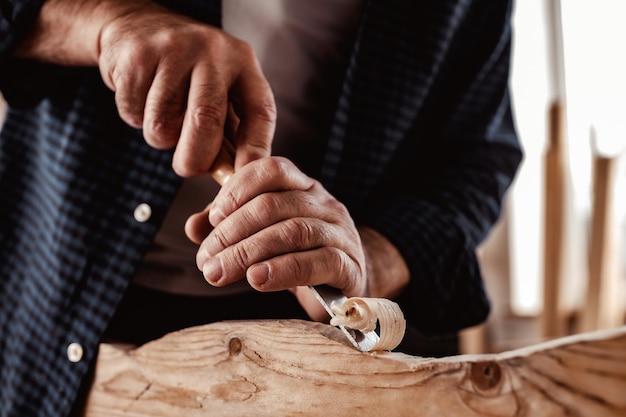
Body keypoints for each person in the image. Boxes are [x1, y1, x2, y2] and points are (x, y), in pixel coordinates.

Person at [0, 0, 522, 415]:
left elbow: (478, 160)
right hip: (64, 298)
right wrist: (103, 22)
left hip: (321, 345)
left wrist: (367, 257)